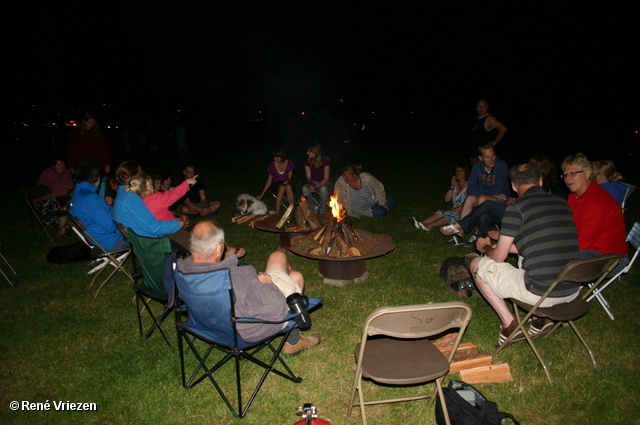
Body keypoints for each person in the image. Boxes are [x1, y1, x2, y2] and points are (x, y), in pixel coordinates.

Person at [468, 162, 580, 347]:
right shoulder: (563, 203)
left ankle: (510, 324)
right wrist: (498, 245)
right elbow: (535, 246)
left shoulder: (517, 207)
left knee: (478, 265)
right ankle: (540, 320)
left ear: (513, 185)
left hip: (541, 294)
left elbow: (499, 257)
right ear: (541, 180)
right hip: (570, 291)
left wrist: (486, 247)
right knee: (526, 256)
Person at [174, 220, 320, 354]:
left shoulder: (182, 272)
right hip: (248, 330)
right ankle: (293, 341)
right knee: (295, 275)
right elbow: (278, 312)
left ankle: (292, 338)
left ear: (192, 246)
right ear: (219, 248)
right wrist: (267, 286)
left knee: (279, 258)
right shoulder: (234, 277)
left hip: (209, 325)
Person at [561, 153, 628, 275]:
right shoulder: (573, 197)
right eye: (565, 174)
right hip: (590, 250)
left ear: (587, 174)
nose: (567, 178)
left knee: (551, 258)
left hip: (610, 259)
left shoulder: (597, 203)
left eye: (572, 173)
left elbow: (582, 243)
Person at [113, 173, 189, 252]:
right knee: (187, 239)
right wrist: (179, 224)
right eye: (152, 185)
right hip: (158, 237)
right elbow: (154, 227)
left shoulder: (136, 201)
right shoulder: (152, 199)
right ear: (148, 189)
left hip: (148, 237)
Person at [68, 159, 128, 251]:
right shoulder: (89, 198)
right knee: (150, 232)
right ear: (95, 178)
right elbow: (111, 226)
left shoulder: (79, 193)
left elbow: (106, 212)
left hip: (104, 238)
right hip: (112, 240)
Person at [458, 143, 511, 223]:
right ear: (481, 158)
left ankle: (478, 233)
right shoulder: (477, 167)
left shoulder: (502, 166)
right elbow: (470, 189)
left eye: (493, 155)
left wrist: (479, 188)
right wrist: (487, 191)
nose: (491, 160)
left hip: (501, 201)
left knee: (483, 197)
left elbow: (497, 190)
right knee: (470, 198)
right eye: (487, 157)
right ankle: (460, 232)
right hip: (484, 198)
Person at [411, 163, 470, 231]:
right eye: (457, 170)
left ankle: (430, 225)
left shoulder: (469, 187)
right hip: (455, 210)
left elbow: (465, 206)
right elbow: (446, 200)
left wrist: (449, 210)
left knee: (448, 214)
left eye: (461, 170)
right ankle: (420, 223)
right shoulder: (456, 185)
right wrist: (452, 186)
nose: (458, 172)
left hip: (464, 212)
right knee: (440, 212)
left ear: (466, 173)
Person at [35, 156, 75, 237]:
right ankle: (62, 232)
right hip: (44, 203)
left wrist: (71, 192)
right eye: (59, 165)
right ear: (53, 166)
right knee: (64, 201)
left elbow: (71, 187)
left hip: (61, 198)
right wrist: (69, 192)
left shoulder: (67, 173)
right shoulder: (48, 174)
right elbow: (56, 191)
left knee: (73, 200)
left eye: (63, 164)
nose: (62, 167)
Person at [256, 147, 295, 215]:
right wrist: (262, 194)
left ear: (282, 156)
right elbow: (269, 181)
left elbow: (289, 178)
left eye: (277, 157)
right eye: (274, 157)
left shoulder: (290, 163)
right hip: (276, 185)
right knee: (282, 187)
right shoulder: (272, 165)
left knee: (288, 186)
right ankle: (277, 213)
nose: (275, 158)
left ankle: (293, 211)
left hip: (287, 183)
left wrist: (287, 181)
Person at [301, 143, 333, 214]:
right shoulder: (307, 162)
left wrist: (315, 186)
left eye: (310, 151)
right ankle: (312, 211)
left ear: (316, 152)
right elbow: (308, 177)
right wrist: (311, 185)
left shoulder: (325, 161)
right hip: (313, 182)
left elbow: (326, 179)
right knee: (305, 189)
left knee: (323, 189)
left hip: (326, 182)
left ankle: (322, 212)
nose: (307, 153)